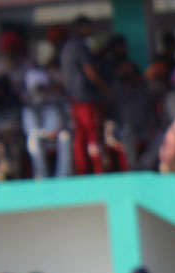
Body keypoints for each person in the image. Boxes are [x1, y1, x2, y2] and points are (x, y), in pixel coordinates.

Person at [60, 15, 110, 175]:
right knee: (93, 135)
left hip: (74, 99)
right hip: (87, 99)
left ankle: (83, 170)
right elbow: (90, 72)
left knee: (80, 136)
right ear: (81, 27)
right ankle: (98, 169)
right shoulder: (81, 47)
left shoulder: (66, 47)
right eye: (89, 27)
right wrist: (105, 89)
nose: (91, 30)